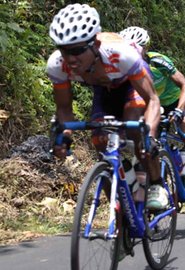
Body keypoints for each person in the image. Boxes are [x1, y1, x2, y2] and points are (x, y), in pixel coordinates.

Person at [46, 4, 166, 209]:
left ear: (96, 43)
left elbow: (153, 99)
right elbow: (64, 108)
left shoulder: (121, 54)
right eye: (64, 50)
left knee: (134, 128)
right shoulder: (57, 65)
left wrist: (151, 137)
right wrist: (65, 135)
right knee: (100, 139)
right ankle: (127, 187)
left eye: (77, 50)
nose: (70, 59)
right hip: (105, 89)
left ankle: (156, 184)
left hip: (131, 83)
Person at [118, 26, 185, 188]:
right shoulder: (123, 67)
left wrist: (179, 109)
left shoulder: (158, 61)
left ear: (145, 50)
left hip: (175, 102)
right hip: (151, 105)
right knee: (146, 141)